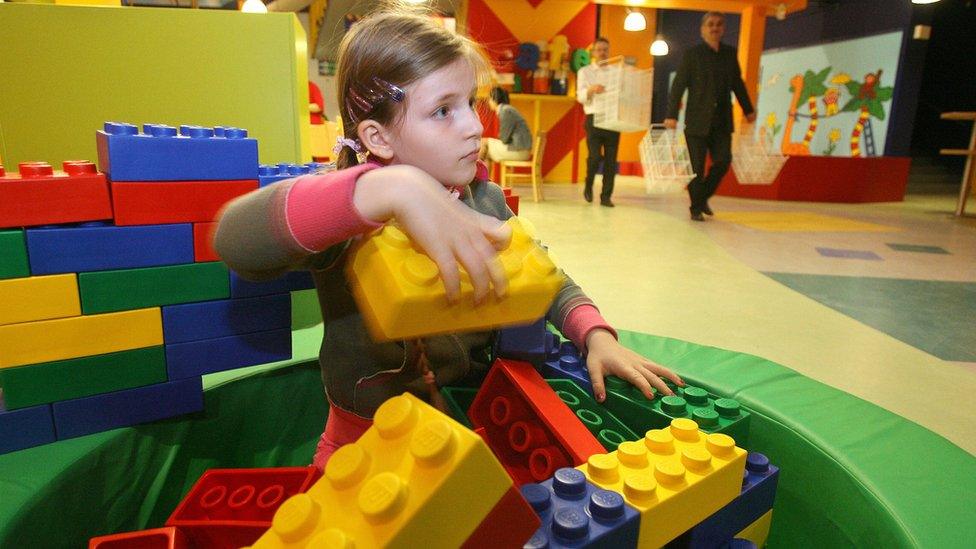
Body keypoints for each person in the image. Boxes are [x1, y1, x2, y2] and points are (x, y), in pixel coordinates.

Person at [214, 10, 683, 469]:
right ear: (377, 137)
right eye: (443, 110)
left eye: (471, 103)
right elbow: (235, 241)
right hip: (362, 448)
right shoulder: (347, 217)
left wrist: (595, 334)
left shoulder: (484, 200)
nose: (476, 126)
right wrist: (385, 189)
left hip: (469, 425)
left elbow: (546, 279)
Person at [665, 11, 756, 221]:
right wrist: (671, 115)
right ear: (703, 29)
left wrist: (749, 110)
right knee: (696, 169)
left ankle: (700, 198)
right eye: (710, 24)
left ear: (723, 29)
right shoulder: (692, 55)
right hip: (696, 121)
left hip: (722, 122)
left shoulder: (729, 54)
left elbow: (737, 84)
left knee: (723, 161)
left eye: (718, 24)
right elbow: (678, 86)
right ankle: (697, 208)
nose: (714, 28)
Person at [576, 37, 620, 207]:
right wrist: (591, 89)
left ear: (609, 51)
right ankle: (588, 185)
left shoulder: (617, 72)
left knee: (611, 161)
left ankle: (606, 196)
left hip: (613, 119)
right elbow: (579, 97)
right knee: (594, 157)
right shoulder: (585, 72)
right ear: (593, 53)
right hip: (593, 118)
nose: (602, 53)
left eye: (605, 49)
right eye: (599, 49)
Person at [481, 87, 532, 163]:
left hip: (519, 151)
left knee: (483, 142)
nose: (488, 102)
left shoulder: (505, 111)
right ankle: (483, 175)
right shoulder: (507, 109)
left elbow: (504, 138)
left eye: (489, 99)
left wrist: (499, 137)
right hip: (520, 149)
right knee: (486, 150)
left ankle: (475, 173)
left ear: (495, 99)